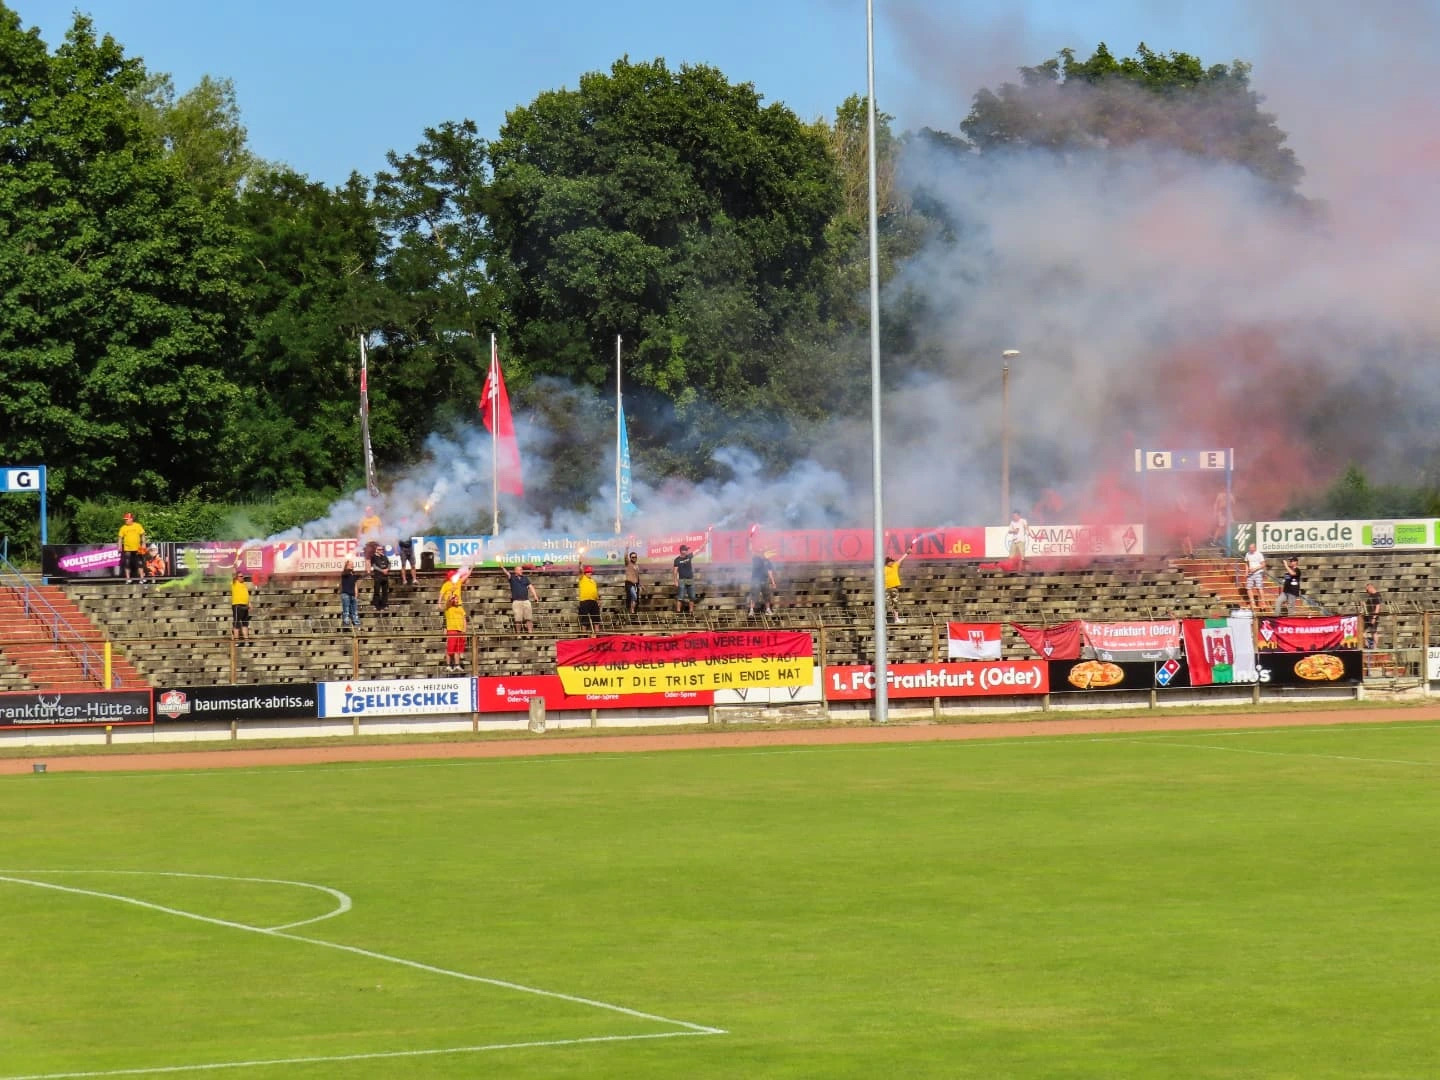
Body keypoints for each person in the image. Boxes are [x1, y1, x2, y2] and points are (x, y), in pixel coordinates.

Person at [499, 561, 539, 634]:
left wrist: (535, 596)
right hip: (517, 601)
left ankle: (530, 632)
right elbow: (507, 573)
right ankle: (518, 634)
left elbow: (531, 587)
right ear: (516, 571)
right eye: (520, 569)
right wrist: (502, 567)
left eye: (521, 569)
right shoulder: (512, 578)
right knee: (518, 619)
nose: (521, 571)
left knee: (529, 618)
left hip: (526, 601)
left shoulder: (525, 578)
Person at [117, 512, 147, 585]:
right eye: (125, 519)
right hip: (127, 548)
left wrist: (143, 544)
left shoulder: (138, 526)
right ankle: (128, 579)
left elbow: (143, 535)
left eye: (127, 519)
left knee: (140, 563)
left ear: (131, 519)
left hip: (138, 548)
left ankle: (142, 579)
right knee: (127, 564)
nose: (125, 520)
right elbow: (120, 538)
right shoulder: (123, 528)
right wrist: (119, 546)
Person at [883, 549, 911, 623]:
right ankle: (883, 619)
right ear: (887, 563)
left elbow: (901, 559)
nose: (892, 562)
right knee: (885, 604)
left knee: (895, 604)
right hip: (886, 588)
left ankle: (896, 619)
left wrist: (906, 553)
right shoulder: (883, 568)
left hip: (894, 588)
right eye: (890, 561)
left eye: (892, 561)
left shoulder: (895, 565)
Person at [443, 593, 468, 673]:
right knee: (450, 649)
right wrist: (451, 598)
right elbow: (447, 603)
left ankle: (457, 665)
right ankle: (448, 665)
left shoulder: (461, 608)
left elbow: (464, 619)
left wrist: (464, 630)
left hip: (460, 630)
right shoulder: (448, 608)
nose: (457, 600)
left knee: (458, 649)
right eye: (455, 599)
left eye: (457, 599)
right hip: (452, 629)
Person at [748, 550, 777, 617]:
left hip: (765, 581)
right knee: (754, 596)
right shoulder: (756, 559)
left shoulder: (768, 562)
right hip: (756, 581)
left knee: (767, 596)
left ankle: (768, 610)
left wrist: (773, 582)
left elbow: (770, 572)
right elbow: (753, 554)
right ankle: (751, 611)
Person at [230, 570, 253, 644]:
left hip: (245, 606)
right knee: (237, 624)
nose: (243, 577)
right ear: (237, 577)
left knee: (245, 623)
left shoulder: (244, 585)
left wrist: (249, 603)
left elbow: (246, 595)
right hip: (237, 605)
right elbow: (233, 575)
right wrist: (234, 568)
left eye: (243, 576)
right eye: (241, 576)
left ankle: (246, 641)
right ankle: (236, 641)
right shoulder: (234, 583)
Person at [577, 563, 601, 631]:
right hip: (584, 601)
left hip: (593, 601)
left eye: (590, 572)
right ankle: (584, 636)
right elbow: (581, 571)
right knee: (585, 620)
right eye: (588, 572)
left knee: (596, 619)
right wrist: (580, 565)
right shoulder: (582, 578)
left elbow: (595, 591)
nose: (590, 573)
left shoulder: (593, 581)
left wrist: (598, 600)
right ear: (585, 573)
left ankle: (597, 635)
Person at [368, 541, 390, 612]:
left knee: (385, 592)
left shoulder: (384, 557)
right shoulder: (374, 557)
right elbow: (374, 566)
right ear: (376, 550)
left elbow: (389, 564)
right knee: (377, 592)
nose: (381, 551)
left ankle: (384, 605)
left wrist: (387, 569)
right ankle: (376, 605)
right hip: (378, 577)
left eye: (382, 549)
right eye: (379, 549)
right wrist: (382, 570)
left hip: (385, 577)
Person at [673, 544, 695, 614]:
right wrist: (675, 581)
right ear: (682, 551)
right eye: (685, 550)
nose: (687, 551)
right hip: (682, 580)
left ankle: (691, 611)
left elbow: (699, 550)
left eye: (687, 550)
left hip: (690, 579)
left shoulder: (689, 556)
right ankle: (678, 611)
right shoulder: (677, 560)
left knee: (692, 596)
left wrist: (705, 543)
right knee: (680, 597)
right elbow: (675, 571)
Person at [1243, 542, 1267, 609]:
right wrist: (1246, 572)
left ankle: (1263, 603)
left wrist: (1255, 569)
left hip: (1258, 573)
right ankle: (1252, 603)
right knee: (1248, 588)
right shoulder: (1247, 554)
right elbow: (1247, 564)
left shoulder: (1259, 554)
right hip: (1250, 574)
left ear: (1254, 548)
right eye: (1249, 548)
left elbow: (1263, 564)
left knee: (1259, 588)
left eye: (1252, 548)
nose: (1250, 549)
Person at [339, 559, 361, 629]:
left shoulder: (353, 574)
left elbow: (355, 585)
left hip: (352, 594)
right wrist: (347, 567)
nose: (352, 565)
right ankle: (346, 622)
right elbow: (345, 573)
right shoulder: (344, 573)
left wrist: (356, 593)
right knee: (346, 610)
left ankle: (356, 622)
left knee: (354, 610)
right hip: (346, 594)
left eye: (352, 564)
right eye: (350, 564)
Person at [1362, 582, 1384, 649]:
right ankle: (1367, 644)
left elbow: (1378, 607)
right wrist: (1363, 604)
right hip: (1368, 616)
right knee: (1362, 631)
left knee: (1374, 632)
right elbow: (1368, 605)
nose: (1366, 592)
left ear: (1370, 588)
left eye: (1367, 590)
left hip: (1373, 616)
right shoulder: (1371, 596)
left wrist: (1374, 618)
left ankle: (1375, 647)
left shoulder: (1377, 595)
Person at [623, 551, 642, 616]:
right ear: (630, 558)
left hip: (636, 584)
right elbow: (625, 557)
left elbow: (637, 576)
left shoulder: (637, 566)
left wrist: (640, 585)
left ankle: (632, 611)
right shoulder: (628, 563)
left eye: (635, 557)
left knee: (635, 598)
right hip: (629, 583)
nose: (634, 558)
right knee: (634, 596)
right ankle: (632, 610)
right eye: (633, 557)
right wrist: (626, 549)